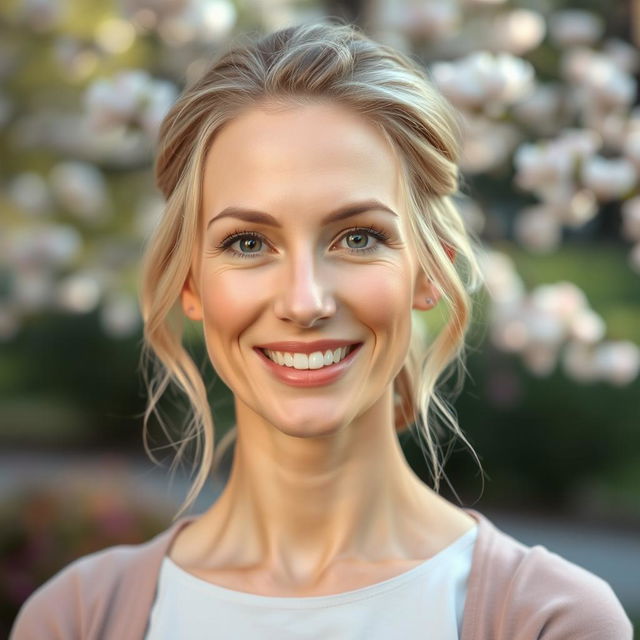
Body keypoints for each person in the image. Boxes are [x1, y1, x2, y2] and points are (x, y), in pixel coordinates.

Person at [10, 20, 633, 640]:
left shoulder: (553, 621)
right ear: (192, 285)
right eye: (248, 242)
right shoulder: (77, 618)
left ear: (430, 269)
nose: (305, 301)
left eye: (358, 238)